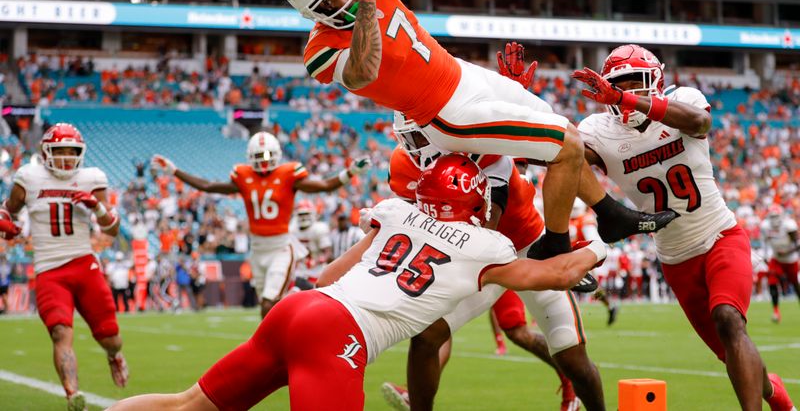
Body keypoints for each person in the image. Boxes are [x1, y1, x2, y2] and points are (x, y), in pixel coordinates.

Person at [279, 0, 668, 265]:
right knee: (565, 143)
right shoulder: (321, 48)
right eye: (329, 3)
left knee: (555, 122)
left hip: (463, 75)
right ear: (312, 13)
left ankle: (609, 215)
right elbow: (363, 69)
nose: (343, 0)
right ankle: (557, 242)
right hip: (446, 114)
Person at [108, 154, 607, 411]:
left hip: (303, 308)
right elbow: (556, 271)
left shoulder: (395, 212)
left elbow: (328, 276)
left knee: (188, 404)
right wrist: (604, 242)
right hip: (338, 336)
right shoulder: (482, 245)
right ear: (477, 204)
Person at [573, 44, 796, 411]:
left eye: (635, 85)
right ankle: (776, 394)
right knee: (730, 352)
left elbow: (700, 123)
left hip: (719, 236)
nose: (626, 93)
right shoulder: (599, 129)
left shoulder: (684, 100)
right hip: (675, 258)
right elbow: (561, 153)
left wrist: (633, 101)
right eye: (619, 86)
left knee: (728, 320)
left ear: (656, 82)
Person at [382, 112, 600, 411]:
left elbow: (488, 223)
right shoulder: (403, 164)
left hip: (524, 247)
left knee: (571, 354)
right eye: (411, 137)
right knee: (427, 336)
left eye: (423, 134)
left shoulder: (485, 147)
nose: (417, 145)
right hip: (467, 252)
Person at [151, 130, 370, 318]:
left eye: (268, 156)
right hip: (256, 249)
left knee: (269, 302)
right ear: (249, 157)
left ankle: (275, 349)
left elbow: (322, 185)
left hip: (280, 247)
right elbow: (209, 185)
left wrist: (349, 173)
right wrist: (174, 171)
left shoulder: (287, 174)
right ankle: (283, 339)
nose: (264, 161)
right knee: (265, 306)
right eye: (259, 156)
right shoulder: (244, 176)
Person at [0, 123, 128, 411]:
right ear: (46, 153)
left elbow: (113, 229)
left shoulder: (91, 178)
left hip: (84, 263)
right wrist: (5, 223)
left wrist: (96, 207)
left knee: (111, 337)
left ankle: (114, 356)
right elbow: (9, 208)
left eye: (72, 152)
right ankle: (73, 395)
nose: (67, 158)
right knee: (60, 331)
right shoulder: (29, 177)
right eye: (60, 151)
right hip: (48, 268)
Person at [760, 204, 799, 323]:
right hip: (776, 258)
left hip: (790, 259)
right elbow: (764, 243)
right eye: (771, 216)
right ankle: (776, 311)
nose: (774, 219)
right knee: (772, 282)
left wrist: (787, 251)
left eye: (775, 216)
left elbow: (797, 244)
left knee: (796, 285)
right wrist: (766, 257)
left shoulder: (789, 225)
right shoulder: (766, 226)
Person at [290, 199, 332, 289]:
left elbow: (327, 252)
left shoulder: (318, 229)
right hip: (300, 270)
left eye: (306, 214)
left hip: (316, 271)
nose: (304, 217)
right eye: (301, 214)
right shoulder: (293, 230)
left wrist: (317, 261)